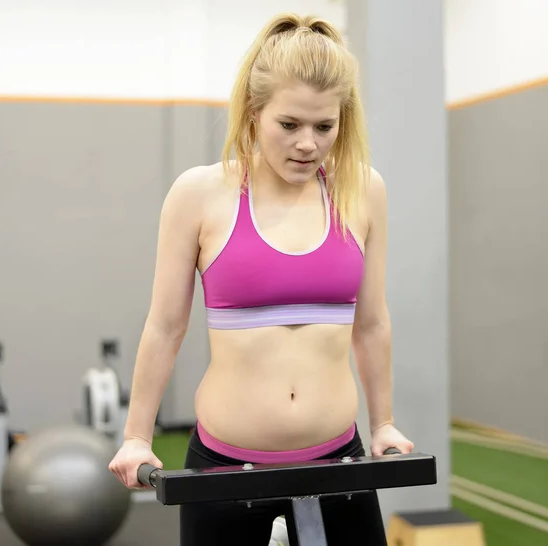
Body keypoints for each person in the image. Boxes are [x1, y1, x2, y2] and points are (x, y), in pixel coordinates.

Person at [109, 11, 414, 546]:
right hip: (226, 470)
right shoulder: (200, 194)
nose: (308, 144)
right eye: (289, 124)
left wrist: (383, 423)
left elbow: (371, 323)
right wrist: (137, 435)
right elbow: (164, 327)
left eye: (325, 126)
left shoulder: (363, 191)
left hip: (338, 464)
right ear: (253, 113)